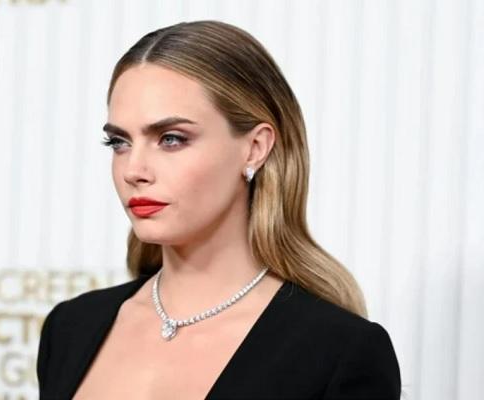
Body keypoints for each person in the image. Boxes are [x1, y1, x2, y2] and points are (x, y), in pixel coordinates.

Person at [37, 20, 402, 399]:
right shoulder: (70, 327)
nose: (134, 170)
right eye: (119, 142)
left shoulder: (339, 351)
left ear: (255, 148)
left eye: (171, 139)